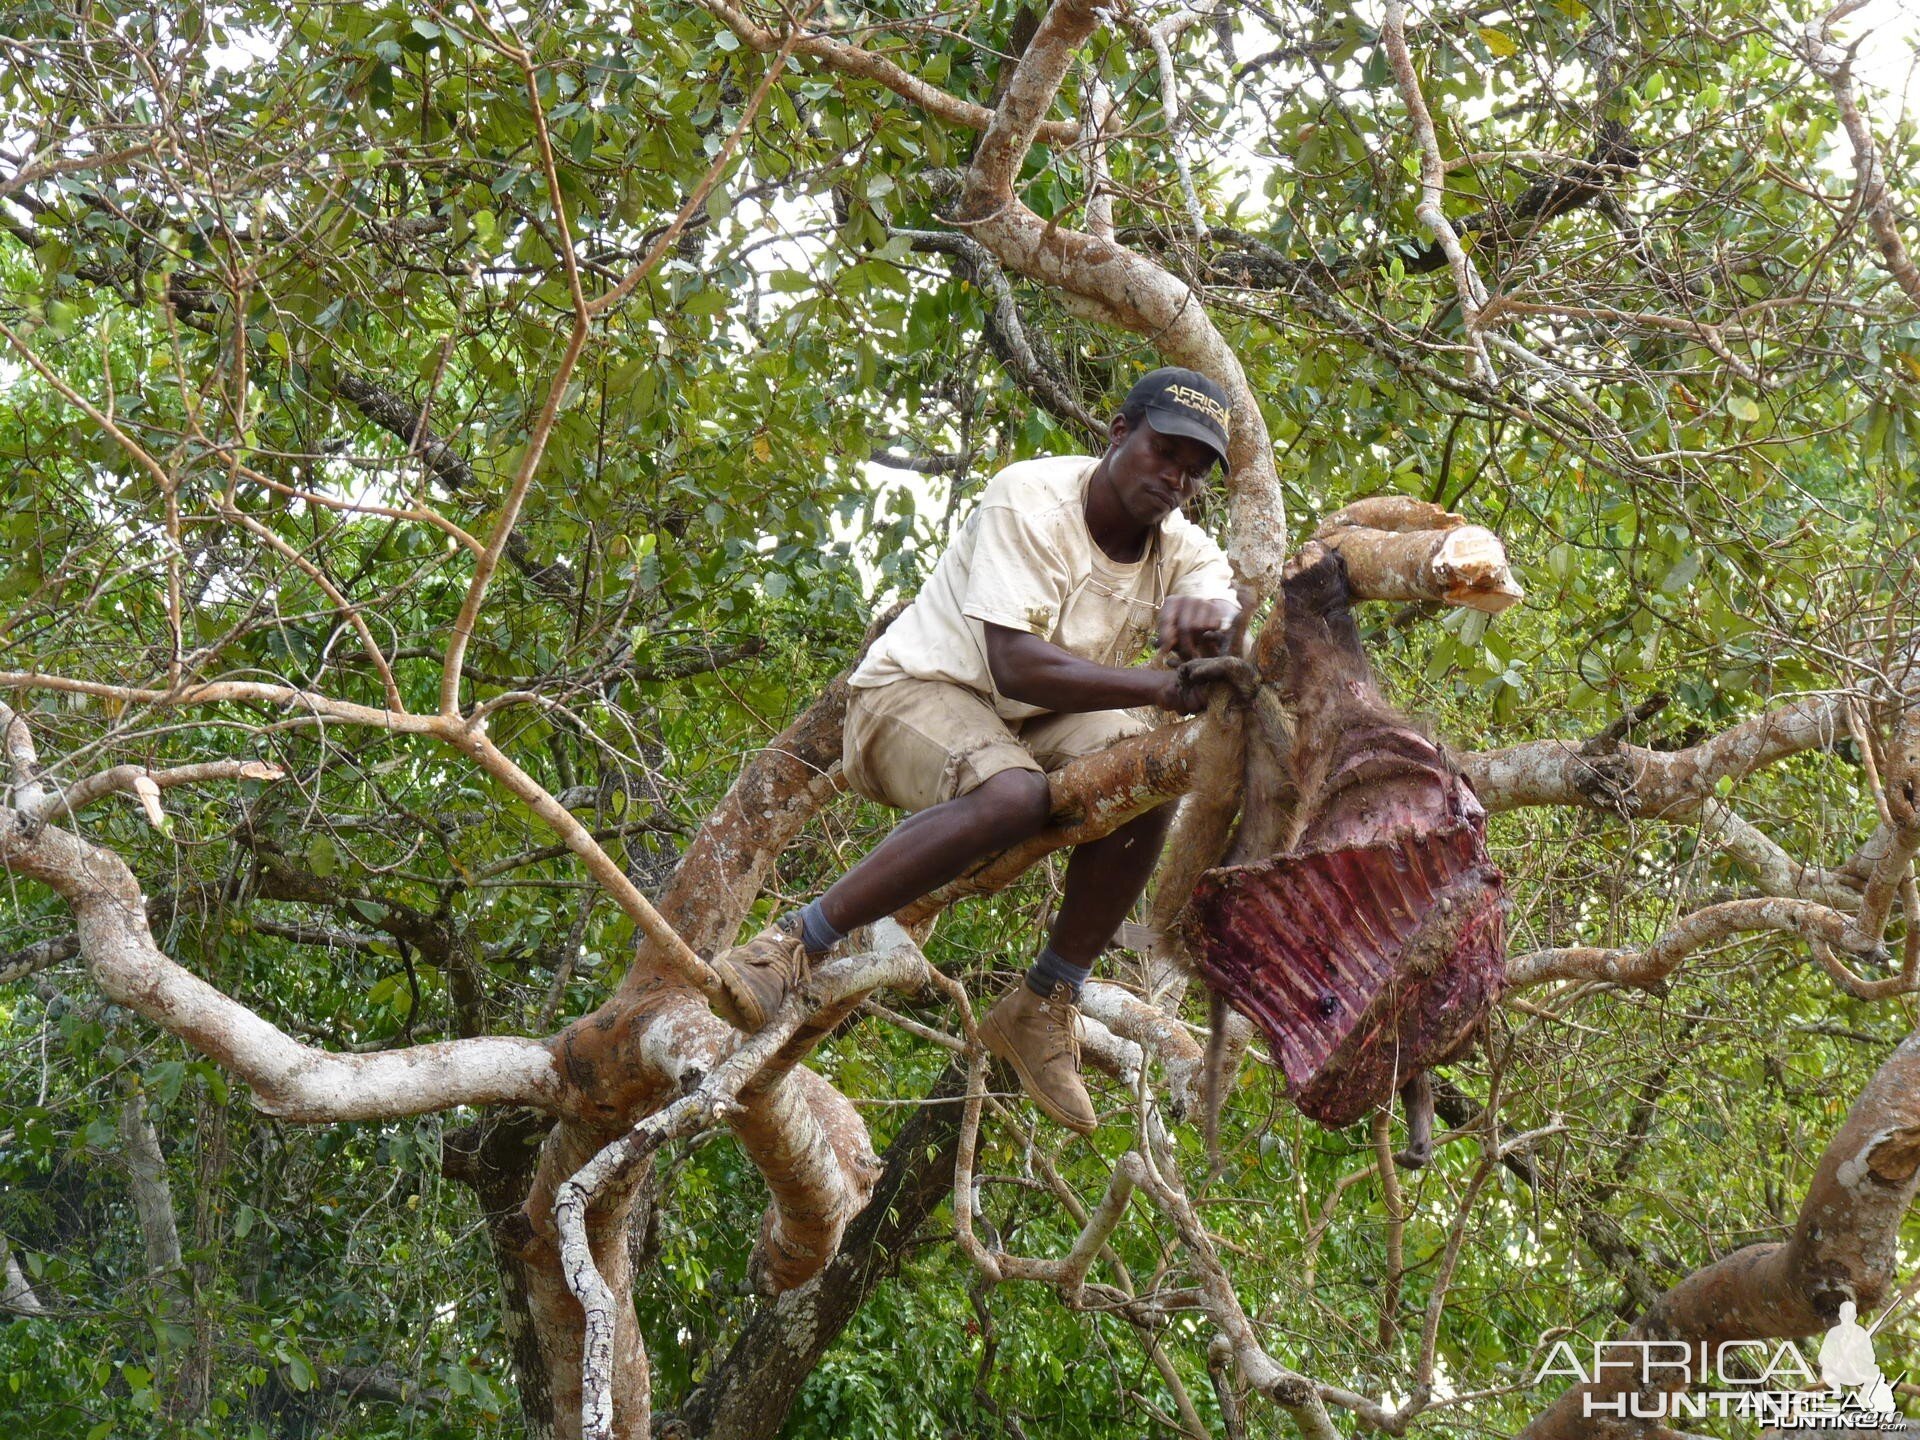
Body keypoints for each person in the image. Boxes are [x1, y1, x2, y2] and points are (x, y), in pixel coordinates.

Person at [710, 367, 1243, 1135]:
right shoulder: (1030, 498)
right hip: (913, 694)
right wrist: (1160, 687)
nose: (1174, 478)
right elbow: (1014, 665)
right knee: (1014, 797)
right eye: (1164, 451)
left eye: (1193, 471)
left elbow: (1218, 603)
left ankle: (1046, 999)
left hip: (1031, 723)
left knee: (1152, 772)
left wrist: (1216, 627)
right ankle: (795, 942)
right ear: (1119, 433)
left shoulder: (1180, 548)